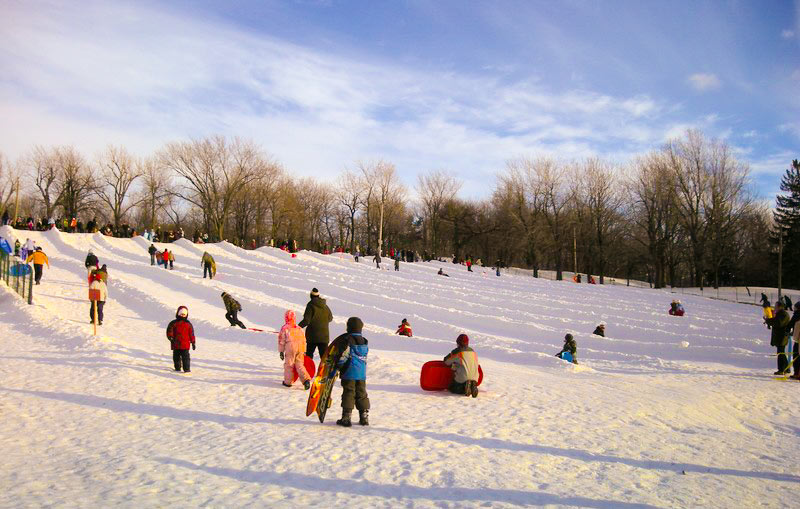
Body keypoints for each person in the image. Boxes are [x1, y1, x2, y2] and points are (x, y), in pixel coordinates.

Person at [334, 317, 370, 427]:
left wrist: (338, 366)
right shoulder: (364, 341)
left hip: (349, 371)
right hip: (361, 373)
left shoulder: (347, 340)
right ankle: (364, 417)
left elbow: (343, 356)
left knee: (349, 392)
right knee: (361, 393)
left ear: (349, 327)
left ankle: (346, 417)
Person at [278, 310, 311, 389]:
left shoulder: (285, 328)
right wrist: (304, 350)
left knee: (289, 365)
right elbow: (304, 340)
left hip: (291, 347)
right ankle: (306, 380)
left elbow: (281, 340)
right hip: (300, 348)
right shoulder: (299, 328)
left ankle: (288, 382)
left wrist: (281, 351)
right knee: (300, 365)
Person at [298, 288, 333, 360]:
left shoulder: (310, 305)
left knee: (309, 356)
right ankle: (324, 371)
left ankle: (308, 370)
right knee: (324, 358)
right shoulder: (325, 306)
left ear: (311, 296)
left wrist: (297, 327)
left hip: (312, 336)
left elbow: (306, 321)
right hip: (324, 336)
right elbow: (330, 318)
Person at [765, 300, 791, 375]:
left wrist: (769, 321)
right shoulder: (780, 313)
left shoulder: (783, 314)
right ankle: (786, 368)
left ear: (780, 307)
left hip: (782, 337)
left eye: (776, 306)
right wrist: (768, 320)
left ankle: (781, 369)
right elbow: (775, 321)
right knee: (781, 352)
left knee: (780, 353)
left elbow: (778, 323)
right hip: (779, 336)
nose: (775, 307)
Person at [166, 306, 195, 373]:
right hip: (176, 343)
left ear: (186, 315)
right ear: (178, 314)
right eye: (181, 314)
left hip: (185, 345)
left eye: (184, 314)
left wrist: (193, 342)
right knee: (176, 357)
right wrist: (170, 337)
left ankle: (187, 369)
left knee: (186, 358)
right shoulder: (173, 323)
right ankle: (177, 368)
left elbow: (191, 333)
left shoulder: (188, 324)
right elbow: (169, 330)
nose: (182, 315)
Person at [790, 302, 800, 379]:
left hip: (798, 341)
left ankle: (797, 373)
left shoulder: (796, 316)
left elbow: (790, 325)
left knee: (796, 357)